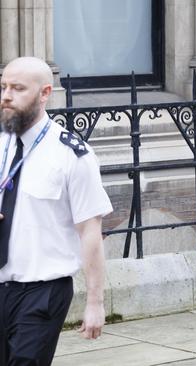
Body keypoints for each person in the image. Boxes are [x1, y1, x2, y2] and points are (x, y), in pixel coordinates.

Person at [0, 57, 113, 365]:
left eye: (18, 88)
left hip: (42, 291)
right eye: (3, 87)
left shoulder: (72, 155)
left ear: (45, 93)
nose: (6, 96)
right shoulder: (2, 144)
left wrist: (95, 303)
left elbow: (90, 230)